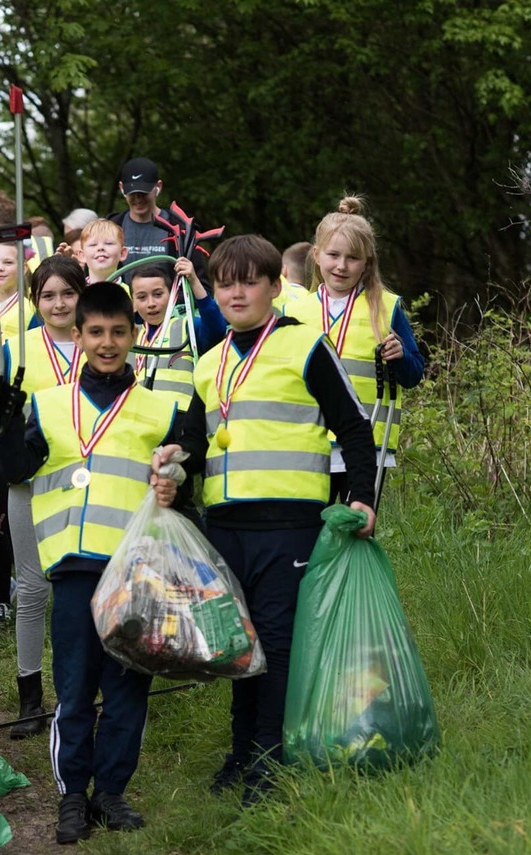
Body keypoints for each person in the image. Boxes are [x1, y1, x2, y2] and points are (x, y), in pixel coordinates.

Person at [152, 234, 377, 807]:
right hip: (226, 526)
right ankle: (242, 750)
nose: (235, 291)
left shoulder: (306, 346)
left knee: (274, 645)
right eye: (225, 282)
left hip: (291, 525)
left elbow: (354, 427)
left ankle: (270, 762)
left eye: (249, 281)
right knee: (241, 646)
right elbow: (197, 442)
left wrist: (362, 496)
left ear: (276, 287)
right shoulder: (209, 361)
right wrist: (174, 462)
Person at [0, 282, 181, 842]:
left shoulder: (160, 408)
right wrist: (4, 426)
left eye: (118, 333)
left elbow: (176, 484)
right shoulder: (48, 406)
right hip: (73, 568)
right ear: (76, 336)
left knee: (128, 686)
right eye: (95, 332)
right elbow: (17, 471)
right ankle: (72, 795)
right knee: (76, 688)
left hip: (135, 568)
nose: (107, 343)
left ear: (134, 336)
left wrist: (174, 480)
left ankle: (112, 794)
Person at [0, 255, 88, 739]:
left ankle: (79, 691)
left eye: (67, 293)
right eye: (48, 296)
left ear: (81, 294)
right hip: (30, 482)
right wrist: (1, 418)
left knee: (81, 587)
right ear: (36, 301)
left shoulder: (100, 341)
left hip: (89, 483)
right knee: (34, 588)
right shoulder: (18, 347)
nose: (59, 303)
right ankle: (30, 699)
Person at [283, 197, 426, 504]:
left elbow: (414, 374)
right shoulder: (294, 310)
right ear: (317, 256)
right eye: (333, 255)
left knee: (355, 530)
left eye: (353, 258)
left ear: (367, 262)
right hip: (308, 440)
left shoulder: (387, 307)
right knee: (309, 531)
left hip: (366, 442)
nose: (342, 266)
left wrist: (401, 357)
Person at [129, 258, 225, 411]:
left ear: (172, 296)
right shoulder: (128, 336)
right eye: (142, 297)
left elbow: (216, 328)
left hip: (179, 418)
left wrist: (194, 281)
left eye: (158, 294)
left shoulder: (187, 326)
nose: (151, 303)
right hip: (138, 421)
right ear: (132, 303)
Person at [107, 157, 209, 286]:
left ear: (158, 187)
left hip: (172, 305)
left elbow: (201, 283)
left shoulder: (182, 229)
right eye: (133, 193)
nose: (138, 199)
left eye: (144, 192)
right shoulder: (110, 228)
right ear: (122, 188)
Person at [77, 217, 128, 285]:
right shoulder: (77, 293)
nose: (100, 248)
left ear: (122, 253)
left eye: (109, 243)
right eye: (93, 245)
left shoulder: (132, 293)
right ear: (82, 255)